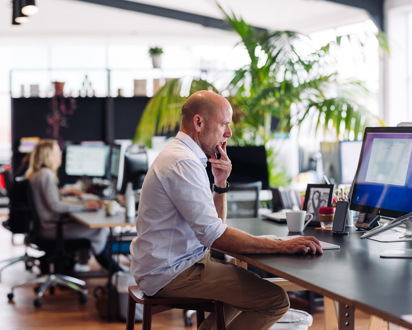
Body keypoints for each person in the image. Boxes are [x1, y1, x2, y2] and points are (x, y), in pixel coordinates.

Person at [130, 91, 322, 330]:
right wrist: (282, 245)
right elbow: (214, 236)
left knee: (247, 291)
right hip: (172, 272)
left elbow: (212, 228)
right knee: (274, 300)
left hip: (178, 263)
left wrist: (220, 184)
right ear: (198, 122)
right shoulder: (184, 162)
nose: (229, 133)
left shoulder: (185, 156)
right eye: (224, 124)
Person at [25, 139, 121, 272]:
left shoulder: (38, 174)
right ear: (48, 156)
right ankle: (115, 271)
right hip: (52, 228)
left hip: (46, 225)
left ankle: (83, 264)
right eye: (57, 153)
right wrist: (85, 206)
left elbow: (50, 197)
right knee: (98, 230)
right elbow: (55, 205)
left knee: (90, 227)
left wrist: (67, 193)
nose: (60, 156)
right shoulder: (46, 175)